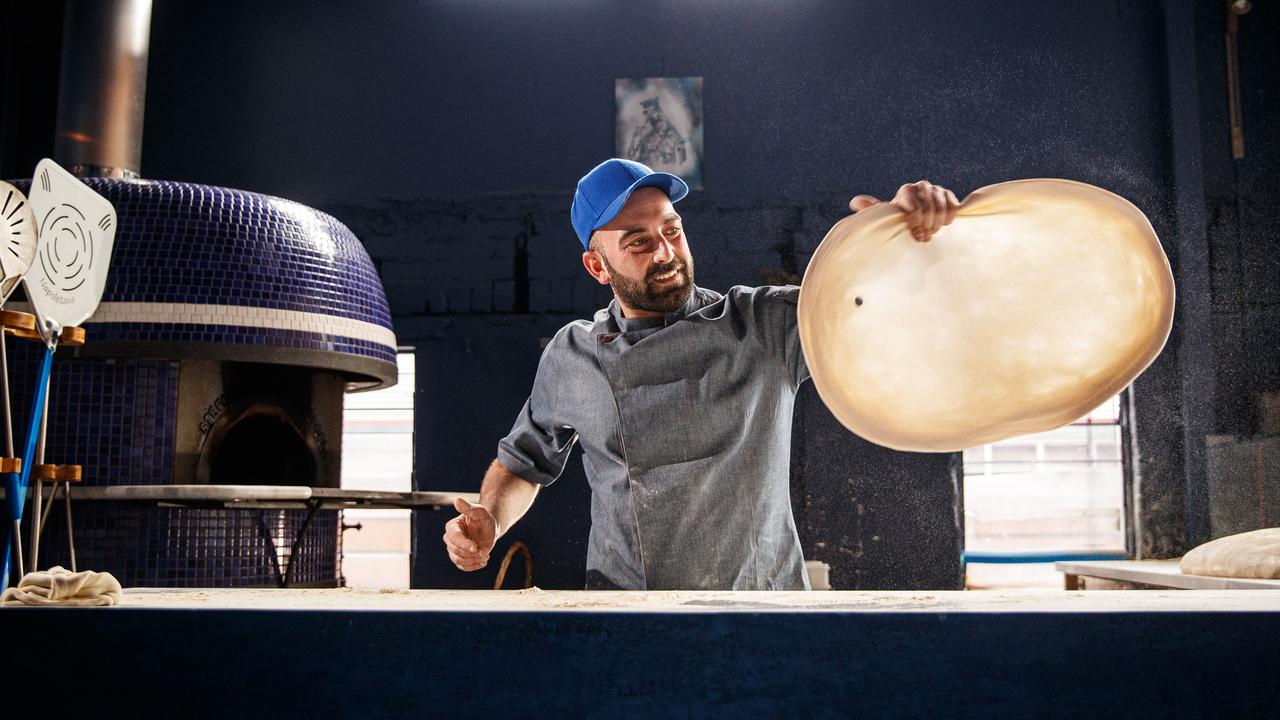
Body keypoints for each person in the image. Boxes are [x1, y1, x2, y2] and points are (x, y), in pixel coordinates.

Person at [443, 158, 959, 590]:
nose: (666, 252)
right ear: (598, 267)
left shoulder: (765, 323)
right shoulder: (572, 355)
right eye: (639, 242)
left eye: (672, 230)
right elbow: (522, 463)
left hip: (766, 618)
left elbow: (887, 313)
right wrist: (491, 518)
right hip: (629, 623)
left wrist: (902, 239)